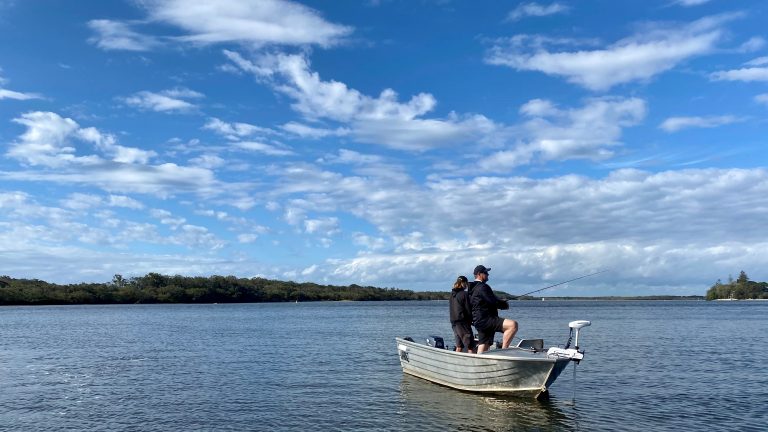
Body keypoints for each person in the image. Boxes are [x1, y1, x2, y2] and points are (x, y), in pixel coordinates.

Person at [468, 265, 518, 354]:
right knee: (512, 325)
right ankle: (504, 353)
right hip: (486, 319)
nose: (488, 275)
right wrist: (504, 304)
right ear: (479, 274)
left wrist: (500, 301)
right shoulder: (483, 287)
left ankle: (479, 362)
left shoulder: (472, 288)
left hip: (478, 320)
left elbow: (487, 300)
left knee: (484, 343)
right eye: (486, 273)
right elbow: (493, 301)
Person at [449, 275, 476, 353]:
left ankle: (456, 363)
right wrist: (472, 320)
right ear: (464, 283)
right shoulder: (464, 294)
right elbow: (468, 310)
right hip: (462, 323)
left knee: (459, 345)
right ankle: (473, 363)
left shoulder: (452, 294)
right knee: (471, 345)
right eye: (466, 283)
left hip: (453, 322)